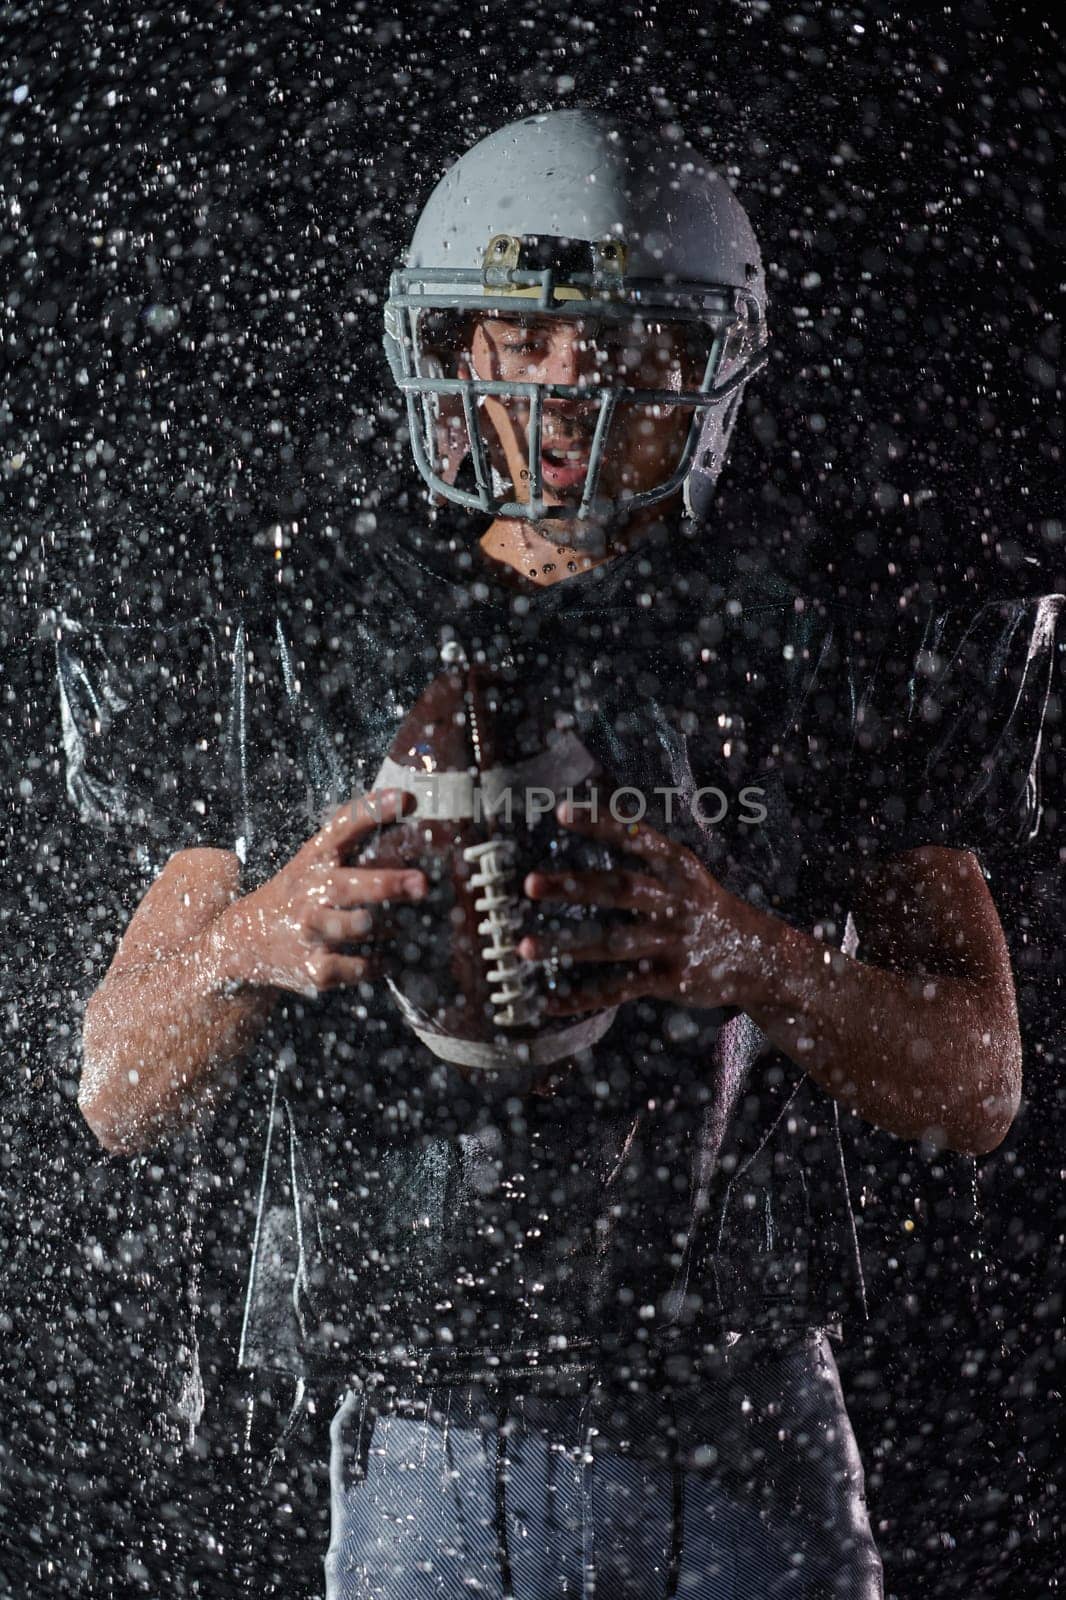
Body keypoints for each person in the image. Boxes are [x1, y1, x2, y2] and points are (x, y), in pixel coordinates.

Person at [70, 110, 1026, 1598]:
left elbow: (976, 1084)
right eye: (525, 337)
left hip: (741, 1419)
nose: (570, 381)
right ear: (453, 352)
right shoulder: (313, 635)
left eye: (630, 343)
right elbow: (117, 1091)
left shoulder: (804, 635)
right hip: (417, 1434)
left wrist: (754, 960)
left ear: (705, 369)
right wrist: (255, 937)